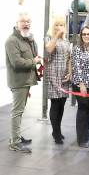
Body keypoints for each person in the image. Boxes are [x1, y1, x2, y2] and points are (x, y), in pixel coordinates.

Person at [5, 11, 41, 153]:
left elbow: (35, 53)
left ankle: (16, 136)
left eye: (28, 21)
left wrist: (31, 40)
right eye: (23, 21)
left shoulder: (26, 39)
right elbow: (17, 62)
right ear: (17, 23)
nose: (26, 24)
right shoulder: (11, 41)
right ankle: (14, 142)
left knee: (19, 111)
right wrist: (34, 61)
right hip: (19, 81)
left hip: (26, 80)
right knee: (17, 111)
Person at [44, 15, 71, 145]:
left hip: (64, 77)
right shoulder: (49, 38)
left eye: (62, 25)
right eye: (57, 25)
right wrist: (56, 36)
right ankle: (56, 133)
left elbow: (69, 58)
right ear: (53, 26)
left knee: (62, 104)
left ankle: (58, 130)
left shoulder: (66, 41)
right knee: (55, 104)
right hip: (53, 76)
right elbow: (49, 49)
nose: (60, 27)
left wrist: (70, 72)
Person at [71, 26, 89, 148]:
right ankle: (81, 139)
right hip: (81, 84)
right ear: (81, 36)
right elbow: (76, 67)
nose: (86, 36)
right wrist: (81, 85)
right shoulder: (77, 49)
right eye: (84, 34)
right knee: (82, 110)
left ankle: (85, 133)